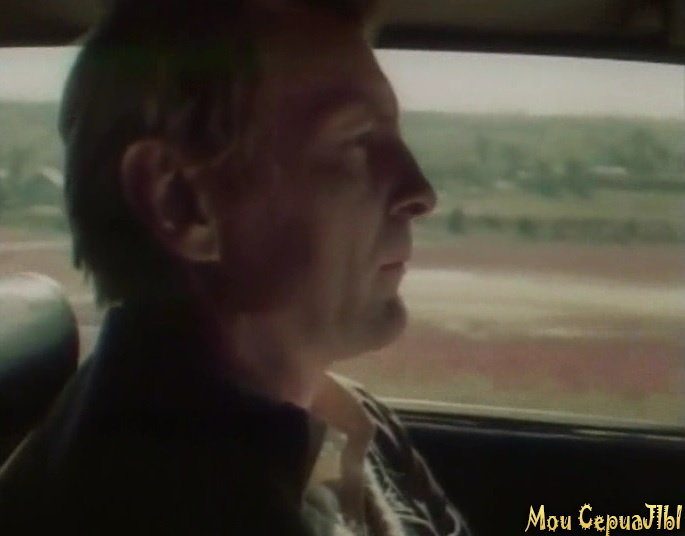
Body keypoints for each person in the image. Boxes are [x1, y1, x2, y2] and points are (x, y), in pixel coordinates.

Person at [0, 1, 471, 534]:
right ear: (182, 202)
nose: (420, 192)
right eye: (357, 140)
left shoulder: (348, 417)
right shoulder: (159, 507)